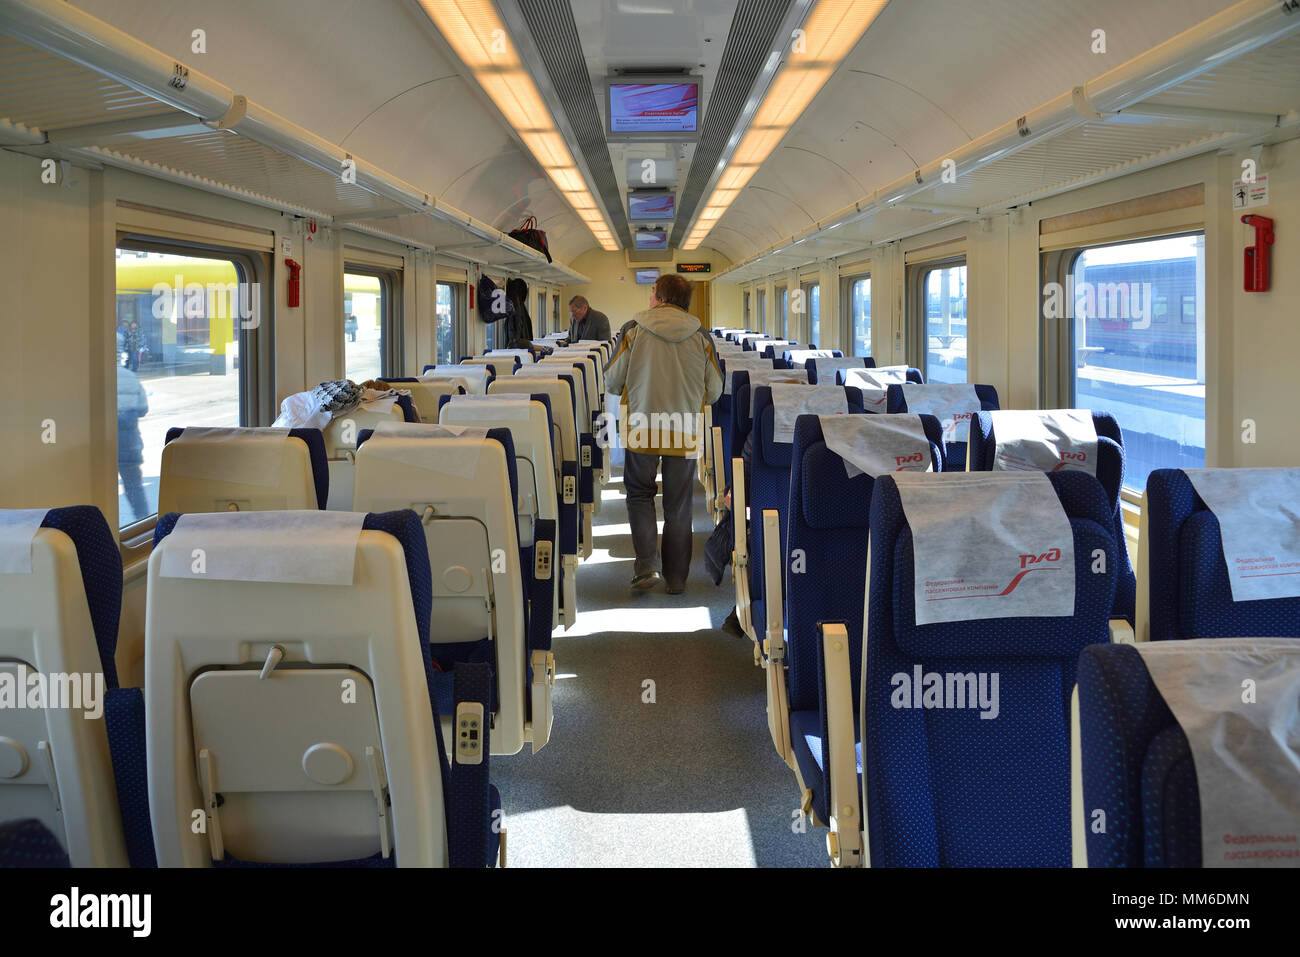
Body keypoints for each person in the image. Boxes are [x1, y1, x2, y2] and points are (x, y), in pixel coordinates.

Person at [604, 274, 722, 594]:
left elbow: (613, 382)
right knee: (679, 504)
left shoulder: (633, 330)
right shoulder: (701, 335)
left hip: (641, 425)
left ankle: (646, 566)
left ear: (657, 295)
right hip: (683, 428)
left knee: (640, 495)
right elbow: (715, 390)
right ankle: (677, 579)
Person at [116, 363, 150, 522]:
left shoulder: (90, 377)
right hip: (129, 442)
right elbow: (143, 408)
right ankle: (143, 524)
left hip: (101, 445)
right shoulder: (130, 376)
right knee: (134, 485)